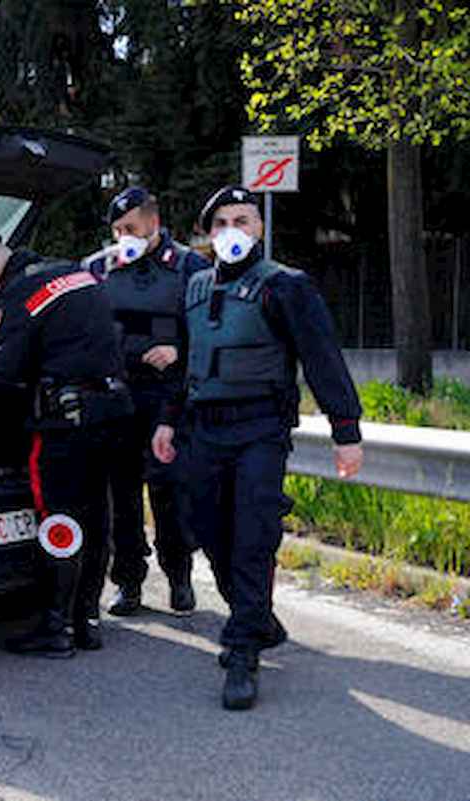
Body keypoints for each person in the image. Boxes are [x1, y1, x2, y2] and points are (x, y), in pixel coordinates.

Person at [151, 185, 364, 710]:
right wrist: (165, 422)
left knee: (252, 535)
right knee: (207, 529)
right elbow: (186, 363)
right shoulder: (195, 286)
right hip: (203, 429)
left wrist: (346, 430)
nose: (232, 231)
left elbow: (321, 356)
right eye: (220, 222)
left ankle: (242, 647)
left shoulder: (285, 286)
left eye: (242, 220)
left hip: (261, 432)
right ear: (208, 233)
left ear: (260, 228)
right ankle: (258, 619)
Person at [0, 232, 133, 657]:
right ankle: (87, 621)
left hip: (65, 425)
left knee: (60, 521)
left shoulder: (22, 293)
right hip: (112, 415)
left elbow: (0, 374)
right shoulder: (77, 273)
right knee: (97, 518)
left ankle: (56, 627)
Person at [97, 187, 210, 618]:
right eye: (117, 230)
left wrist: (181, 351)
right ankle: (128, 582)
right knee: (120, 496)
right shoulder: (100, 268)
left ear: (154, 225)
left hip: (169, 397)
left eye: (131, 228)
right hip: (120, 395)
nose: (123, 236)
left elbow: (211, 329)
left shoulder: (190, 268)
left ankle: (179, 577)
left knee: (170, 491)